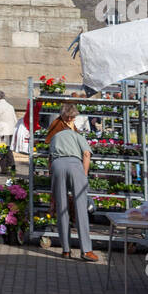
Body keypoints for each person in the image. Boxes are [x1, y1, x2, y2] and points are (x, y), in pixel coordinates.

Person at [47, 102, 98, 262]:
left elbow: (50, 159)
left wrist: (53, 175)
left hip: (57, 166)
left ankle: (66, 249)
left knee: (62, 208)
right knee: (80, 208)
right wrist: (83, 175)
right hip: (75, 165)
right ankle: (86, 250)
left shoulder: (55, 136)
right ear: (72, 118)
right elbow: (86, 155)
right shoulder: (78, 136)